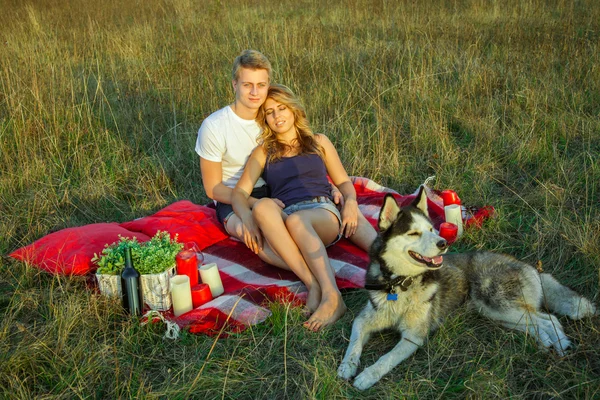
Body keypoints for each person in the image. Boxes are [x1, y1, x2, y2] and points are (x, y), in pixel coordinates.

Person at [196, 50, 377, 266]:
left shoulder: (270, 116)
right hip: (235, 196)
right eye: (247, 85)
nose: (255, 92)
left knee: (342, 203)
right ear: (235, 84)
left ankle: (385, 254)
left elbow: (299, 156)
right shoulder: (215, 126)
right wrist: (256, 204)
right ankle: (315, 276)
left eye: (261, 85)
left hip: (277, 190)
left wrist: (339, 192)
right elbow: (213, 189)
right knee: (256, 236)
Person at [232, 84, 355, 331]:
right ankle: (314, 284)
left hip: (321, 213)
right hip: (288, 216)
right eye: (269, 112)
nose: (277, 116)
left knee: (298, 221)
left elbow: (342, 181)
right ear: (264, 119)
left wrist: (350, 202)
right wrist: (246, 217)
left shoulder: (318, 141)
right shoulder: (264, 151)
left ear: (293, 109)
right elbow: (239, 193)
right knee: (263, 210)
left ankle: (333, 297)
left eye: (282, 108)